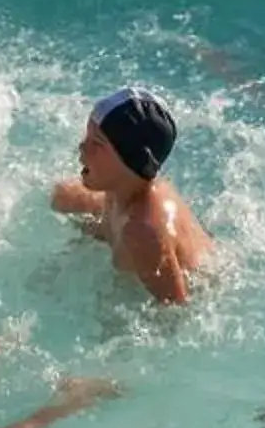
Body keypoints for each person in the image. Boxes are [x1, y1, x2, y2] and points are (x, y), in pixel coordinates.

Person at [52, 87, 211, 306]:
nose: (82, 147)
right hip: (135, 247)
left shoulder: (143, 231)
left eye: (96, 144)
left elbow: (176, 311)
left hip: (199, 292)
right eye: (86, 137)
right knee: (63, 197)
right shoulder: (121, 190)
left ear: (132, 161)